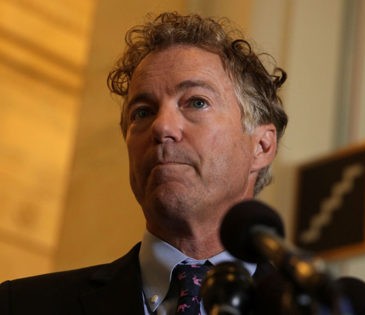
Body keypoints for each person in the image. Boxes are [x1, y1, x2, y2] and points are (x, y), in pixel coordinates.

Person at [0, 12, 288, 315]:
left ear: (262, 146)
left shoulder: (321, 308)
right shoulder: (19, 306)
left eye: (196, 102)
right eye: (142, 112)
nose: (162, 127)